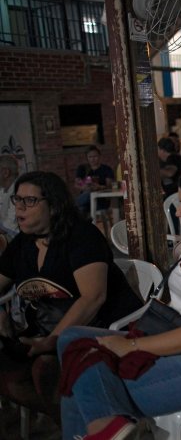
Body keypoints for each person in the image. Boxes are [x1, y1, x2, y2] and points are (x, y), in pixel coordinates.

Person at [57, 166, 181, 439]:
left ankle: (107, 426)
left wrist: (130, 346)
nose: (177, 211)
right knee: (70, 338)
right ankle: (109, 427)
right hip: (170, 335)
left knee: (82, 384)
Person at [0, 171, 142, 422]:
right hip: (44, 333)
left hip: (100, 331)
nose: (20, 207)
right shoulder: (23, 244)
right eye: (17, 200)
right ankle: (80, 420)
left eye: (29, 201)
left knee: (47, 370)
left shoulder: (81, 236)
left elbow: (93, 297)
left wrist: (52, 341)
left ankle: (89, 424)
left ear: (53, 206)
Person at [74, 145, 115, 216]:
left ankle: (72, 206)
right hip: (85, 200)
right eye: (90, 157)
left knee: (79, 207)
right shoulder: (82, 168)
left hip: (101, 199)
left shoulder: (106, 169)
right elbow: (77, 184)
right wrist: (84, 187)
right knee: (82, 206)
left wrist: (99, 187)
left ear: (99, 156)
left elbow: (109, 186)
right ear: (87, 158)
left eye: (95, 156)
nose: (92, 159)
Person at [0, 155, 19, 252]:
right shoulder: (3, 190)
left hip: (17, 240)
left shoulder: (19, 190)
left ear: (6, 173)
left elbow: (9, 225)